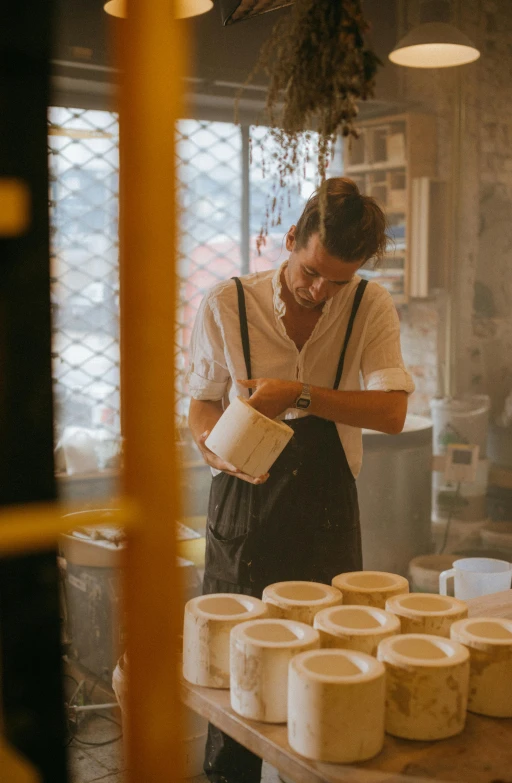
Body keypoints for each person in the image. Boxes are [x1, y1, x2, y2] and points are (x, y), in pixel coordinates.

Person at [187, 177, 414, 783]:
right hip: (244, 504)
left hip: (325, 509)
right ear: (291, 240)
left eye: (339, 280)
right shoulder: (225, 305)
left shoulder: (369, 306)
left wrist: (302, 396)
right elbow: (202, 405)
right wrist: (214, 448)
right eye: (312, 271)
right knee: (239, 674)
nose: (322, 291)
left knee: (328, 676)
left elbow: (392, 413)